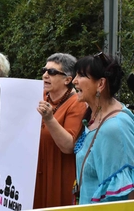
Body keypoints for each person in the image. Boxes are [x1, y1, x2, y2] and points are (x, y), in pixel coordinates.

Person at [55, 52, 134, 204]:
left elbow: (128, 196)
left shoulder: (114, 128)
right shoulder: (93, 116)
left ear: (101, 84)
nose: (75, 81)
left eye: (81, 76)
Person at [34, 53, 86, 208]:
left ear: (68, 80)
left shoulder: (77, 103)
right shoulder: (40, 96)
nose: (44, 75)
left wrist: (50, 119)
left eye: (51, 72)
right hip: (36, 174)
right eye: (44, 70)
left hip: (58, 174)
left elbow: (69, 146)